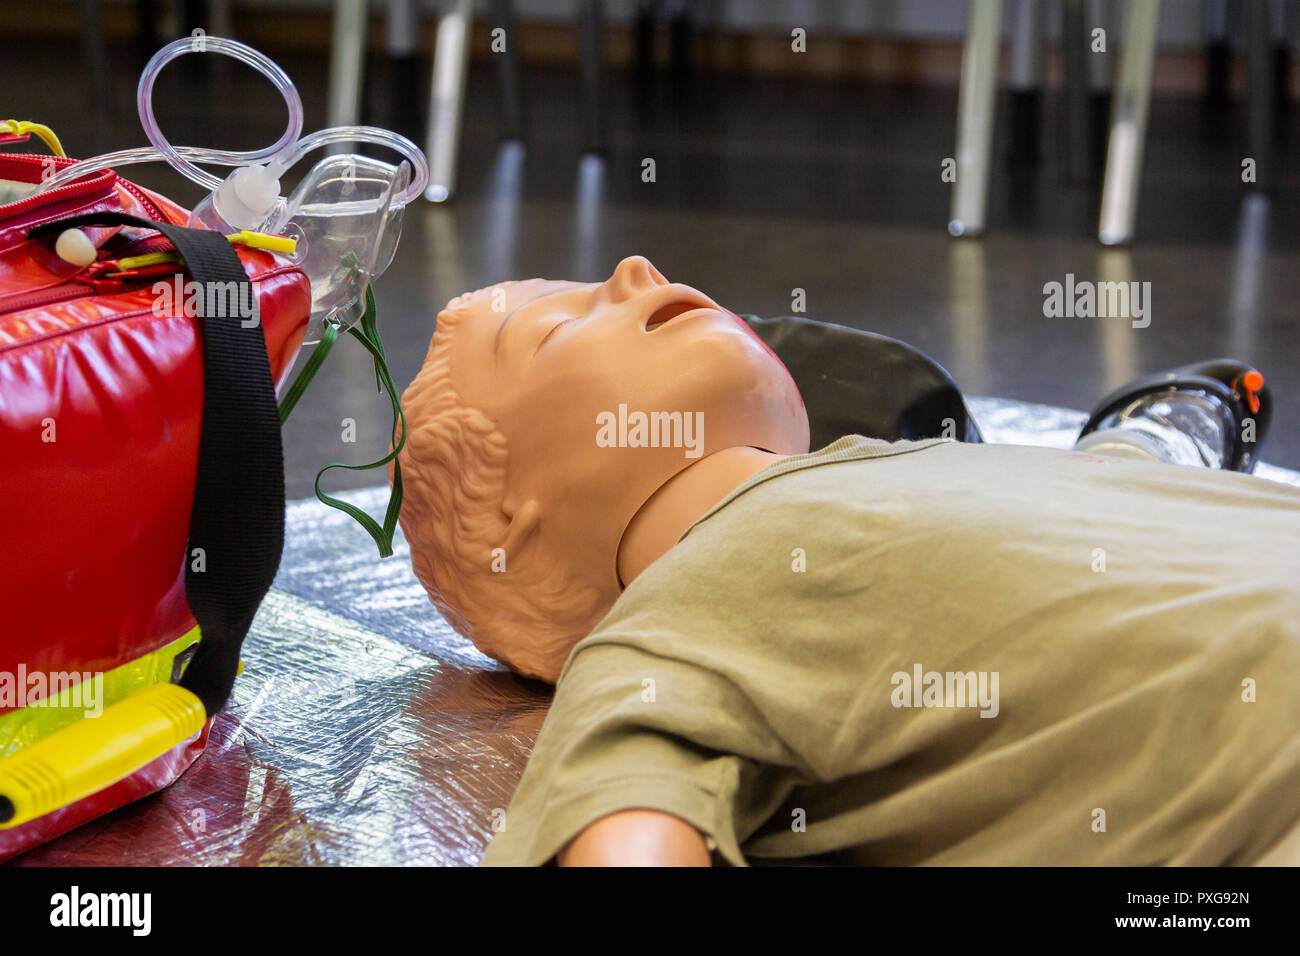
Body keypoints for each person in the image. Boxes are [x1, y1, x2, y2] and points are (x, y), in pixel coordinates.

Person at [396, 256, 1300, 866]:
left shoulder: (895, 470)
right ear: (518, 524)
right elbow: (624, 823)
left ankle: (1151, 438)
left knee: (1083, 487)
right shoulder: (664, 633)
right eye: (556, 330)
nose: (637, 271)